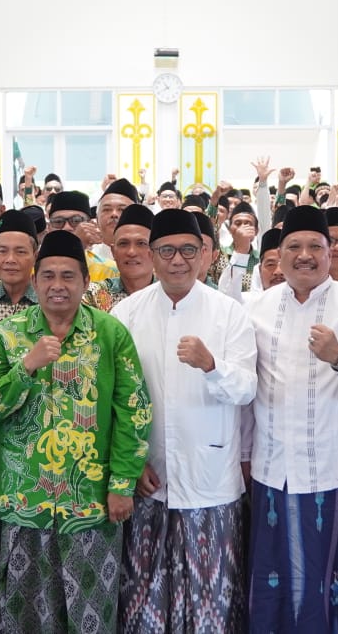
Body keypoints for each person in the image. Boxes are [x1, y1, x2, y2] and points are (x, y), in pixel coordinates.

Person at [0, 230, 152, 631]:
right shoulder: (9, 334)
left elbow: (134, 410)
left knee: (90, 610)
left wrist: (122, 483)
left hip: (89, 503)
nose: (58, 286)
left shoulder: (110, 334)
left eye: (69, 276)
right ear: (35, 280)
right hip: (25, 499)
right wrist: (25, 368)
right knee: (25, 614)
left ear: (85, 282)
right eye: (49, 276)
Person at [242, 206, 338, 631]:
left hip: (334, 471)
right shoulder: (258, 308)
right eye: (294, 246)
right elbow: (250, 392)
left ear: (332, 252)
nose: (304, 255)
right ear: (279, 253)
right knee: (271, 584)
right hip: (273, 471)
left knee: (330, 584)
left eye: (315, 246)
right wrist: (246, 455)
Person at [112, 210, 257, 633]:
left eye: (188, 250)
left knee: (210, 602)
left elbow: (246, 389)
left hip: (210, 481)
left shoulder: (229, 313)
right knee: (144, 599)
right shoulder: (127, 314)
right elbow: (117, 401)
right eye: (167, 250)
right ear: (153, 256)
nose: (178, 260)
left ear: (205, 255)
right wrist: (130, 464)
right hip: (148, 480)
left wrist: (212, 366)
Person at [86, 203, 156, 312]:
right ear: (113, 252)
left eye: (141, 243)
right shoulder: (93, 295)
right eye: (124, 243)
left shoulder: (171, 294)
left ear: (155, 251)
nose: (131, 252)